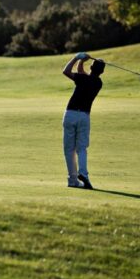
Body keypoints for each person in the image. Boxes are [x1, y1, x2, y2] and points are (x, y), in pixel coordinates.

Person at [61, 51, 105, 189]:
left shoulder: (82, 79)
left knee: (69, 149)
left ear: (91, 67)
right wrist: (81, 61)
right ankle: (83, 174)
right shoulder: (98, 83)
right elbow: (81, 73)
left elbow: (66, 71)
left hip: (70, 114)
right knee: (81, 148)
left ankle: (72, 179)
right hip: (84, 117)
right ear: (102, 72)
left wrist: (76, 58)